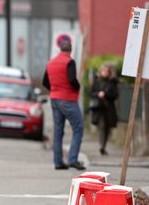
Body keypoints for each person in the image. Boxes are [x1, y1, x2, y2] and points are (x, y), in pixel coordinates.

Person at [42, 40, 86, 170]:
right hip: (68, 99)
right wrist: (77, 87)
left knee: (58, 131)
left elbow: (45, 81)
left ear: (60, 50)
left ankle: (58, 162)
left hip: (54, 99)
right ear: (70, 50)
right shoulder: (69, 62)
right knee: (78, 128)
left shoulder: (50, 63)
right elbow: (72, 79)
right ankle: (73, 159)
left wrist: (54, 89)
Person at [89, 63, 119, 155]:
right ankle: (101, 146)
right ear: (100, 71)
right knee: (102, 127)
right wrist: (98, 94)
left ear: (109, 72)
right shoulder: (97, 81)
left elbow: (115, 95)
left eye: (106, 71)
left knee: (107, 128)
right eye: (103, 70)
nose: (104, 72)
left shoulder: (112, 82)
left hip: (109, 108)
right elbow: (90, 93)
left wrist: (106, 95)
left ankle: (103, 146)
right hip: (99, 107)